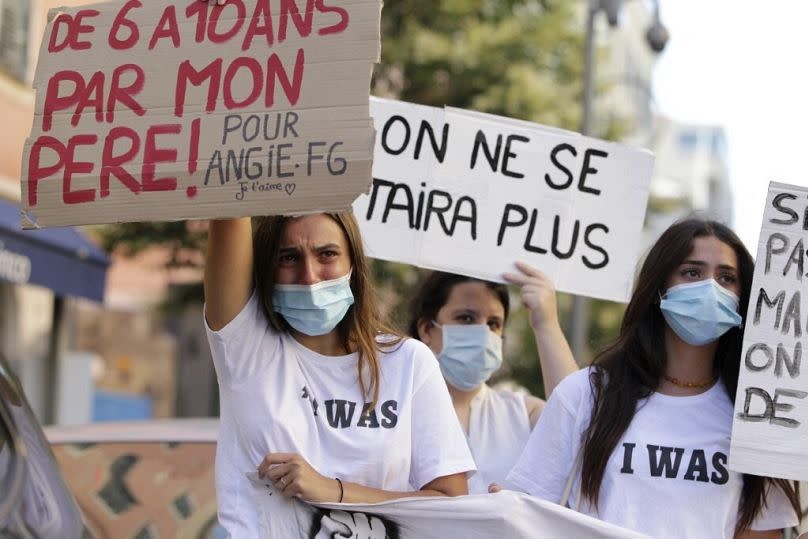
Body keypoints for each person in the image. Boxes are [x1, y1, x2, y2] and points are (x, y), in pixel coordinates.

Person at [502, 218, 801, 538]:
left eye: (727, 277)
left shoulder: (759, 414)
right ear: (660, 288)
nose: (710, 287)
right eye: (692, 272)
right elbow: (528, 512)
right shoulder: (586, 392)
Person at [204, 215, 475, 536]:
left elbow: (451, 505)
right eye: (289, 257)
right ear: (268, 269)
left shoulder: (408, 362)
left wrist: (333, 491)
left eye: (327, 254)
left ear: (354, 265)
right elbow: (231, 207)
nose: (309, 276)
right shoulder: (245, 349)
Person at [408, 262, 577, 493]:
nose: (484, 333)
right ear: (427, 329)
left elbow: (579, 428)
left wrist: (546, 324)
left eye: (493, 323)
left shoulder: (524, 415)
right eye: (466, 318)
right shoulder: (393, 411)